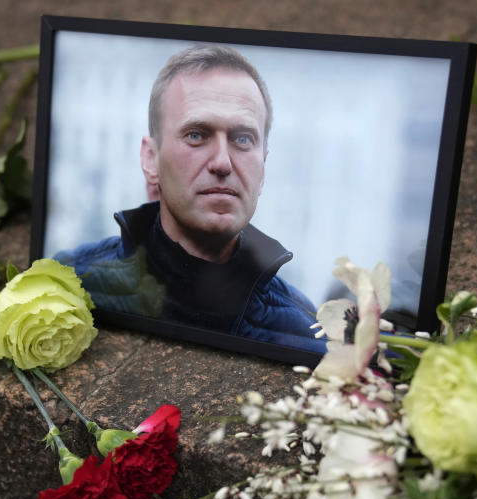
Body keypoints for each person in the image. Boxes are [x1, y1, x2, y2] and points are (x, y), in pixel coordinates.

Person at [55, 44, 324, 351]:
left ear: (263, 170)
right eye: (196, 135)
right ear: (151, 159)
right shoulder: (66, 286)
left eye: (243, 139)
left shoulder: (310, 335)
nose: (222, 162)